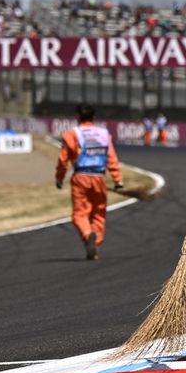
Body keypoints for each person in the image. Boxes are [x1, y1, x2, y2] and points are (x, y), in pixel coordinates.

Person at [55, 103, 123, 259]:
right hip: (99, 177)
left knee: (79, 213)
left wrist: (59, 178)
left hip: (81, 177)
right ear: (93, 117)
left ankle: (87, 234)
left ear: (77, 116)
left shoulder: (73, 133)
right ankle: (95, 243)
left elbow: (62, 159)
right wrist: (118, 179)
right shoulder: (104, 134)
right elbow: (112, 158)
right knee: (98, 213)